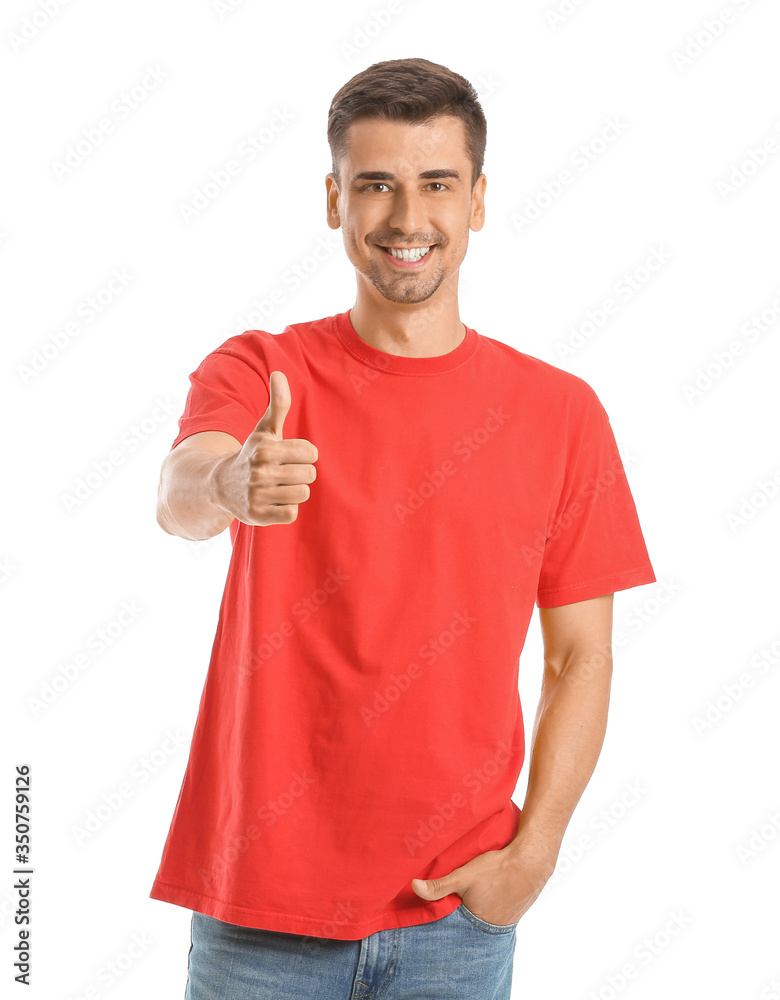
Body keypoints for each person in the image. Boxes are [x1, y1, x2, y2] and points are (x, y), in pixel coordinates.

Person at [149, 57, 656, 1000]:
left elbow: (581, 657)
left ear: (478, 201)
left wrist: (532, 857)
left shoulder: (560, 413)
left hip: (457, 917)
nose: (406, 218)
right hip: (259, 918)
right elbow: (178, 496)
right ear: (334, 199)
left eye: (436, 184)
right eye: (376, 185)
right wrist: (227, 478)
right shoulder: (263, 372)